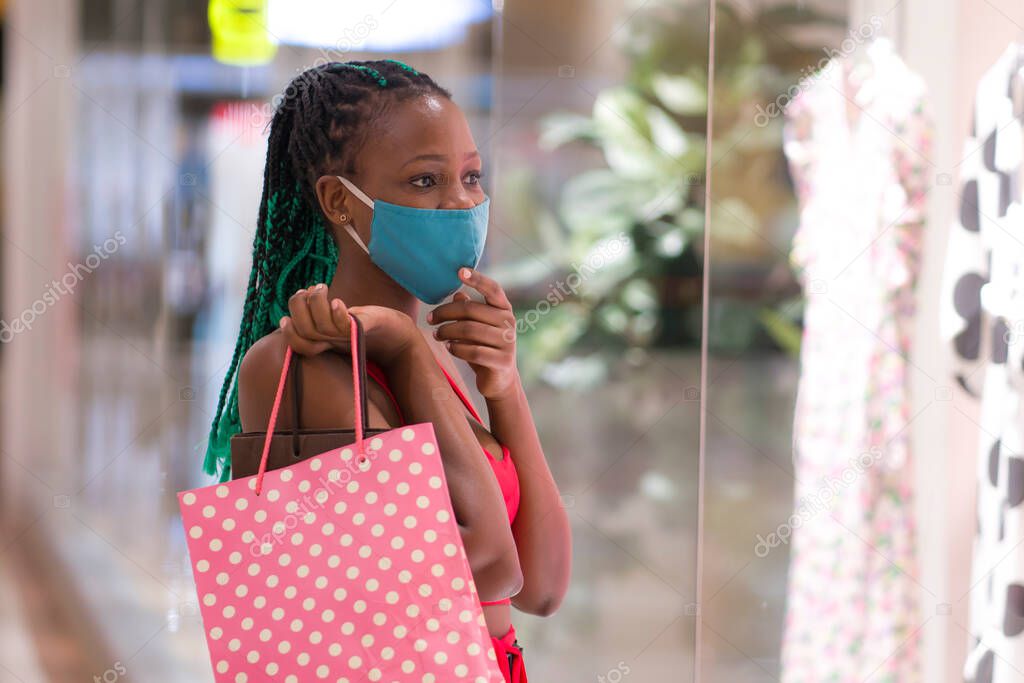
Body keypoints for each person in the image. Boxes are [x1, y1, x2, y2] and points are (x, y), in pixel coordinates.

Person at [202, 58, 572, 682]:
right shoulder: (306, 364)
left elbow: (542, 589)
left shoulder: (427, 362)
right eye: (425, 181)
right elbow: (480, 566)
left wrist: (504, 387)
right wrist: (400, 345)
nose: (462, 203)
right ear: (340, 203)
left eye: (472, 176)